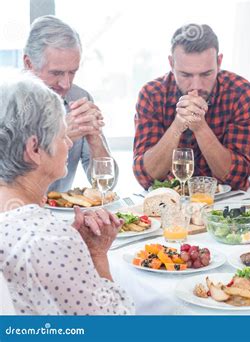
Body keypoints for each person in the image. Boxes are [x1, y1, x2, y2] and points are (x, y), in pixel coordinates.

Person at [0, 70, 134, 315]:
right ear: (35, 149)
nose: (70, 143)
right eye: (63, 135)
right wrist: (97, 255)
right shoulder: (53, 239)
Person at [133, 24, 250, 191]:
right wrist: (178, 126)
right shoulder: (151, 94)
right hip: (171, 202)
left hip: (226, 205)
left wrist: (200, 128)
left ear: (219, 62)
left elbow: (236, 177)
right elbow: (146, 177)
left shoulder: (241, 93)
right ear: (171, 64)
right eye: (185, 74)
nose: (196, 85)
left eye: (206, 74)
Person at [23, 15, 118, 192]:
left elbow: (107, 186)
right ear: (29, 64)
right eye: (56, 73)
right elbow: (10, 183)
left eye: (72, 72)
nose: (66, 84)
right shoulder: (6, 104)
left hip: (60, 216)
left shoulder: (79, 97)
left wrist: (94, 137)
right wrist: (59, 136)